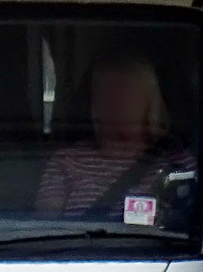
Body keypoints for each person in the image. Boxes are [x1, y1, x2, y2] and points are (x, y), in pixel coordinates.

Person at [36, 53, 195, 222]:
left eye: (126, 93)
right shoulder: (66, 161)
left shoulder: (177, 163)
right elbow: (46, 227)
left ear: (149, 101)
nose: (116, 102)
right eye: (107, 93)